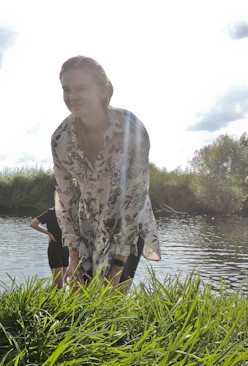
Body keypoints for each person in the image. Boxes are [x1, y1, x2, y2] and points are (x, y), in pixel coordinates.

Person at [51, 55, 160, 290]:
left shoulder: (131, 128)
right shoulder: (60, 139)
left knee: (112, 299)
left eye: (81, 88)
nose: (71, 97)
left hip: (127, 223)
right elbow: (65, 197)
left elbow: (136, 194)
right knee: (78, 299)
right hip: (86, 224)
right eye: (66, 89)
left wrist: (118, 264)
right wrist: (73, 255)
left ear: (103, 90)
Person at [29, 206, 69, 289]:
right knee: (58, 285)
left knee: (64, 283)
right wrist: (49, 234)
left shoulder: (68, 213)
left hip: (66, 248)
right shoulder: (50, 213)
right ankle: (43, 297)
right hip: (54, 248)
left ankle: (59, 300)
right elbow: (33, 224)